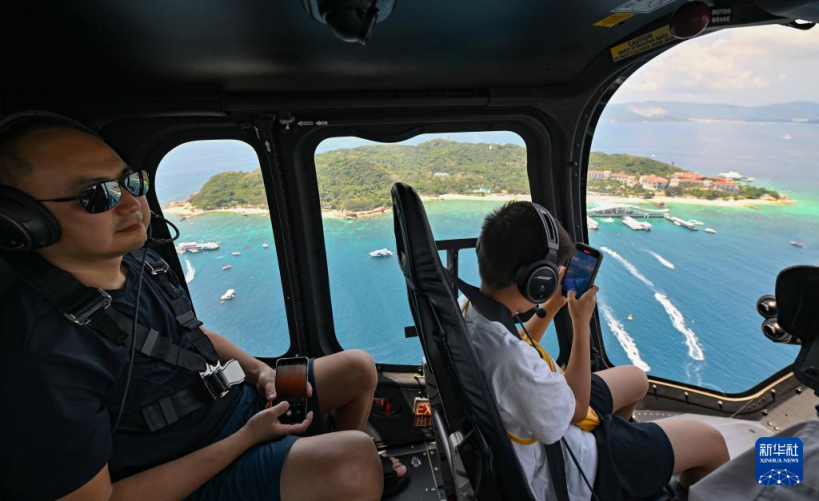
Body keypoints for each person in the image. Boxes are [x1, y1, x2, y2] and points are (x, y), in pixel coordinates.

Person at [0, 114, 407, 501]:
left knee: (357, 368)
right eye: (96, 196)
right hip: (184, 471)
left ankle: (312, 473)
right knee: (354, 461)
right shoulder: (39, 354)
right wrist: (247, 438)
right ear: (25, 221)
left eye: (131, 182)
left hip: (231, 408)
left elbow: (191, 331)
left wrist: (261, 372)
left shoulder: (141, 262)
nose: (131, 205)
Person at [460, 201, 730, 501]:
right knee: (711, 442)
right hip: (572, 469)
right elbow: (577, 410)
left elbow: (520, 343)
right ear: (537, 281)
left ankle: (631, 465)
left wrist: (553, 305)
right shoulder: (511, 362)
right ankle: (622, 468)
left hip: (545, 412)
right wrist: (581, 323)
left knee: (636, 379)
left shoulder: (471, 310)